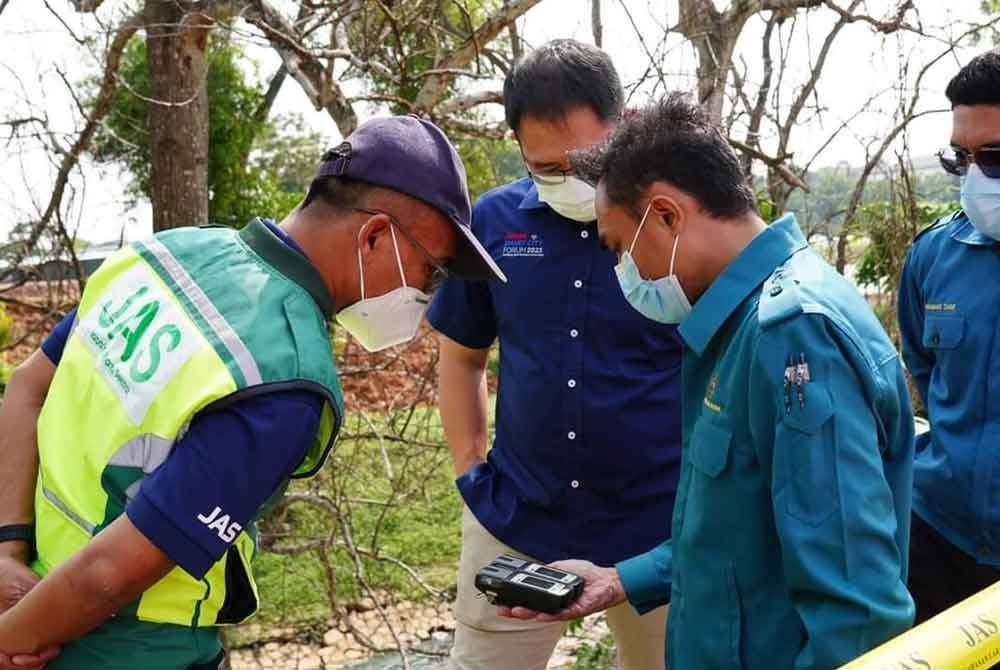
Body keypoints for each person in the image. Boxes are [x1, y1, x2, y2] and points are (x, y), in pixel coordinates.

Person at [0, 115, 504, 670]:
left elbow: (26, 387)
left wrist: (8, 552)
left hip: (27, 608)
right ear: (374, 237)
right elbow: (107, 574)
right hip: (128, 648)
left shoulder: (170, 252)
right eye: (432, 272)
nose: (427, 297)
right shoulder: (284, 377)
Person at [501, 94, 916, 669]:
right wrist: (619, 580)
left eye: (620, 248)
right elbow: (735, 535)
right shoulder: (736, 327)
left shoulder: (793, 335)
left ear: (667, 216)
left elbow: (856, 614)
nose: (624, 272)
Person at [427, 40, 681, 670]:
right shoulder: (493, 225)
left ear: (622, 125)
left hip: (656, 525)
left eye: (585, 162)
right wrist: (469, 470)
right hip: (517, 516)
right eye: (545, 167)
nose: (569, 180)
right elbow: (461, 356)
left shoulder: (671, 225)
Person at [899, 48, 1000, 625]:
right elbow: (925, 369)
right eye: (961, 159)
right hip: (939, 536)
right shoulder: (934, 256)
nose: (977, 177)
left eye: (995, 157)